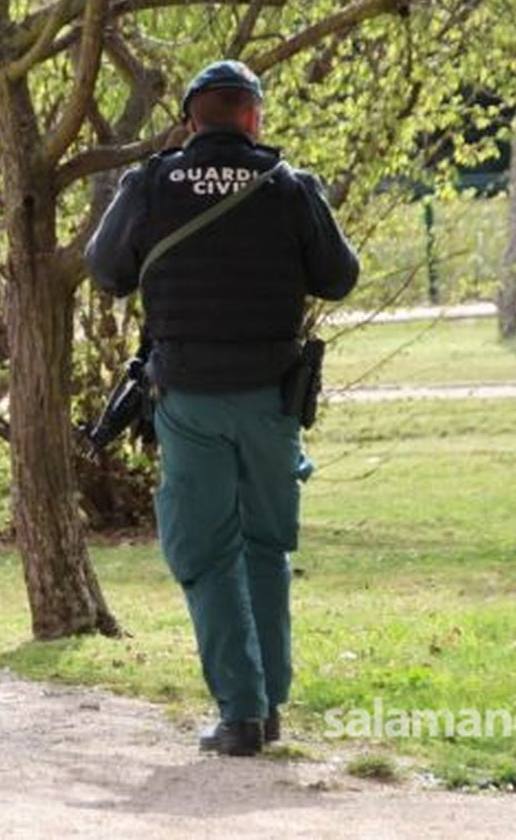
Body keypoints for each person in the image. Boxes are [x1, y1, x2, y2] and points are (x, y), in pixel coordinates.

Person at [84, 60, 358, 757]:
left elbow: (107, 270)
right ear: (254, 118)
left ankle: (240, 712)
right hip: (272, 399)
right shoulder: (289, 186)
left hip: (189, 399)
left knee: (205, 551)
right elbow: (339, 277)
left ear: (188, 122)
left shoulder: (151, 183)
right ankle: (268, 707)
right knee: (265, 545)